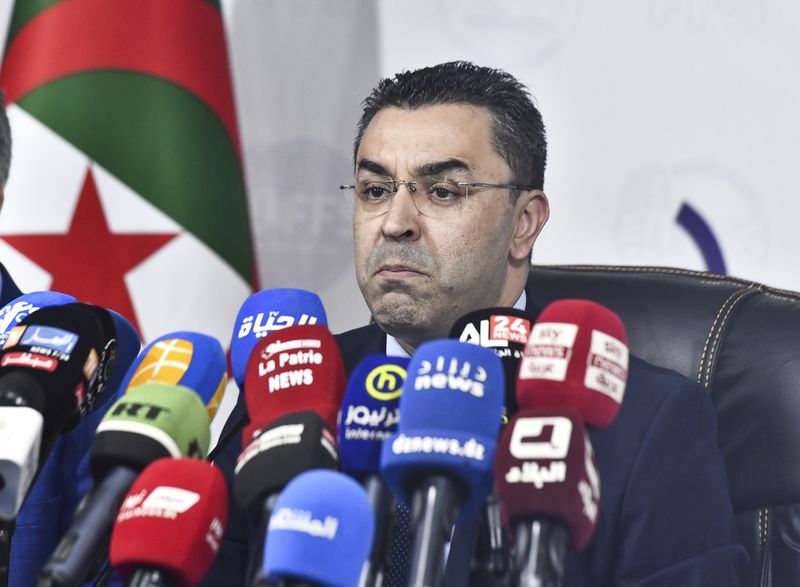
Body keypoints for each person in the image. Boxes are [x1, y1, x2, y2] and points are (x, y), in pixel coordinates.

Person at [207, 61, 747, 586]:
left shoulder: (647, 423)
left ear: (524, 224)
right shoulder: (293, 388)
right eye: (375, 191)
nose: (395, 224)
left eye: (441, 191)